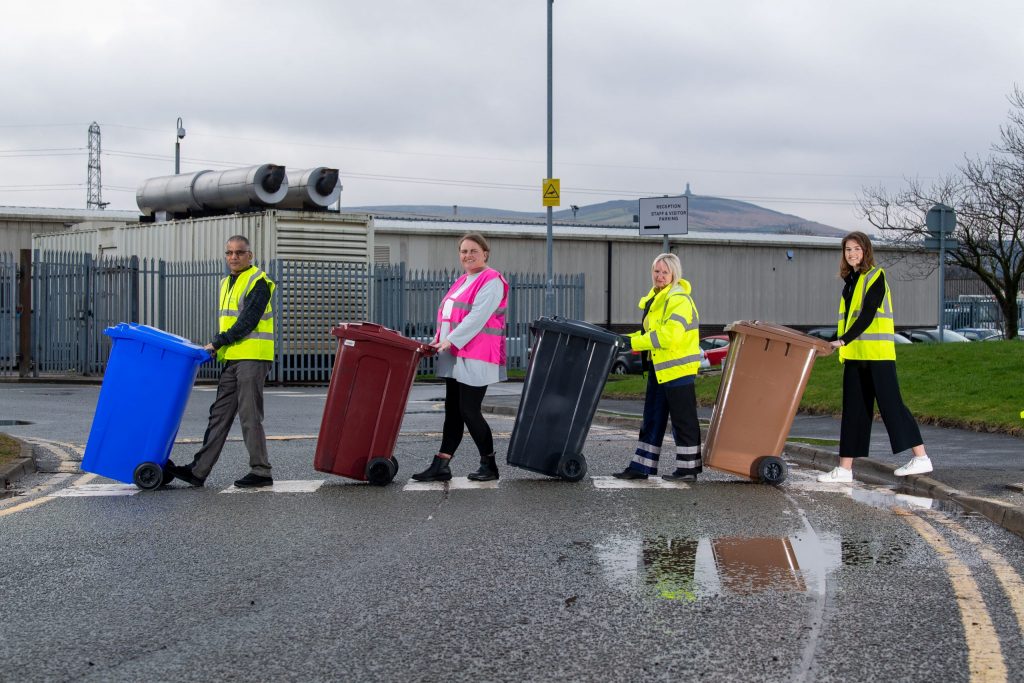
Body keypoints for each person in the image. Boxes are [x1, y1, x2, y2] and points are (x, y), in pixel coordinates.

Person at [818, 231, 932, 483]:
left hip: (878, 356)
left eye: (857, 249)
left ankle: (921, 457)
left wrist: (842, 340)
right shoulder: (851, 281)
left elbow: (867, 315)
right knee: (854, 412)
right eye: (848, 249)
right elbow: (848, 319)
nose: (852, 254)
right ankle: (845, 469)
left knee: (892, 406)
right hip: (855, 356)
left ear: (866, 251)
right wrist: (832, 342)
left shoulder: (875, 277)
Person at [168, 235, 276, 488]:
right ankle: (198, 471)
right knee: (218, 415)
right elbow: (231, 321)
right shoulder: (226, 282)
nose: (234, 257)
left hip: (253, 357)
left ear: (250, 255)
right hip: (233, 358)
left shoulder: (259, 282)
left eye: (239, 252)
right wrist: (221, 347)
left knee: (249, 416)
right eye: (229, 253)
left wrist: (217, 342)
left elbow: (247, 321)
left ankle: (261, 471)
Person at [412, 233, 508, 483]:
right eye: (463, 251)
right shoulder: (463, 280)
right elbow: (448, 315)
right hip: (454, 353)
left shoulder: (492, 280)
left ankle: (489, 464)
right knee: (453, 410)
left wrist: (451, 341)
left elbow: (477, 317)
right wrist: (437, 341)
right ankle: (441, 464)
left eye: (473, 251)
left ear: (485, 253)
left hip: (476, 355)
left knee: (469, 410)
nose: (467, 256)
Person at [613, 253, 703, 481]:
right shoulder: (657, 299)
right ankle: (642, 467)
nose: (660, 276)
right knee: (652, 419)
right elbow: (648, 334)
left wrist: (633, 342)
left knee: (683, 421)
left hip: (678, 370)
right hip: (660, 369)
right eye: (656, 271)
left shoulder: (679, 300)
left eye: (665, 272)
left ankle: (688, 470)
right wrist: (623, 339)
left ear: (674, 274)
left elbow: (668, 337)